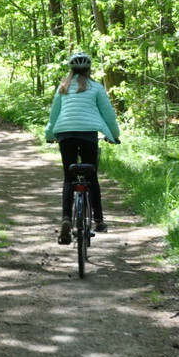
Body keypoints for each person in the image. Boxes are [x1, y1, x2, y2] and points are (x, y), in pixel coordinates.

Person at [45, 52, 121, 245]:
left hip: (65, 134)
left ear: (71, 69)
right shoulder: (96, 87)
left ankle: (66, 219)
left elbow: (54, 115)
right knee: (91, 176)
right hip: (88, 135)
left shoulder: (62, 88)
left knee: (69, 178)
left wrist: (49, 135)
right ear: (89, 70)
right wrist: (114, 135)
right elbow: (108, 114)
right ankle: (99, 221)